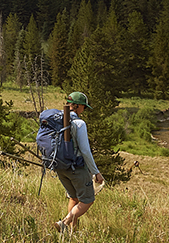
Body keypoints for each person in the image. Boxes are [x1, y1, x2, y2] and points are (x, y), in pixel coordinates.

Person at [54, 91, 104, 233]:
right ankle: (63, 223)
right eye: (84, 107)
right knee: (88, 200)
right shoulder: (79, 123)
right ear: (77, 106)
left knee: (74, 198)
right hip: (76, 168)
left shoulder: (58, 120)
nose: (84, 110)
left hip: (60, 167)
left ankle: (72, 232)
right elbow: (85, 151)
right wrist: (96, 172)